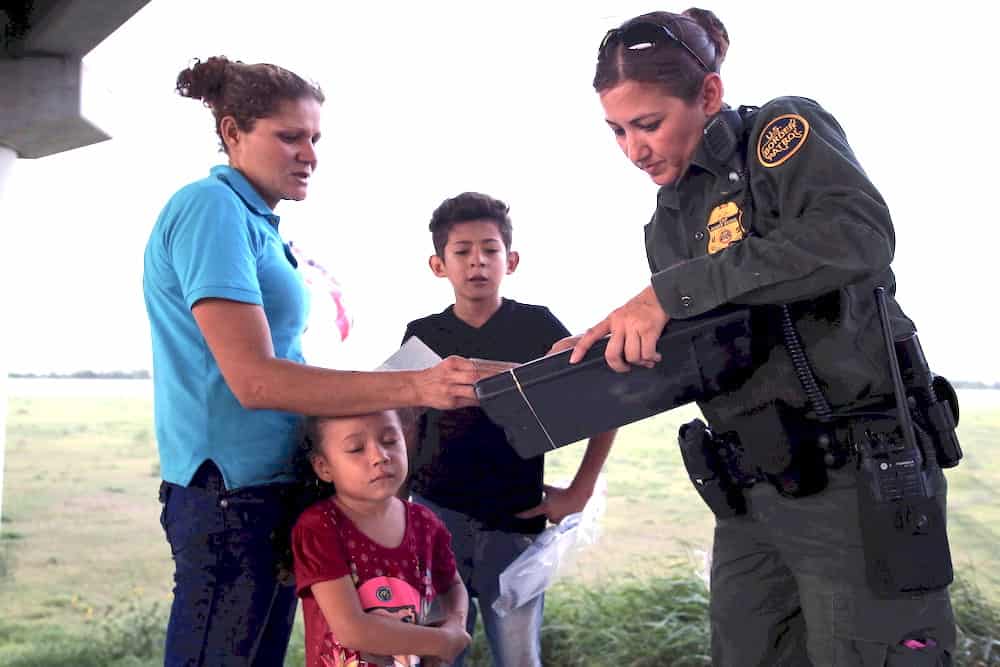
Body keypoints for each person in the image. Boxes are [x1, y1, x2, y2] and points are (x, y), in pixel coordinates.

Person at [563, 9, 957, 666]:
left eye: (648, 124)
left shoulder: (779, 135)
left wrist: (670, 293)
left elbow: (857, 237)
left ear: (708, 96)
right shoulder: (665, 222)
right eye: (617, 130)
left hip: (853, 483)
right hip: (751, 497)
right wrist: (589, 360)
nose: (633, 149)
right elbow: (708, 352)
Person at [143, 56, 478, 666]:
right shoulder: (210, 210)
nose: (310, 154)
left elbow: (283, 360)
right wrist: (414, 386)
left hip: (271, 486)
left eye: (315, 139)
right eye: (290, 136)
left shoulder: (259, 224)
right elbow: (255, 378)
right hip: (230, 495)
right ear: (232, 133)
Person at [401, 192, 616, 667]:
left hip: (516, 520)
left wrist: (579, 490)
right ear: (439, 264)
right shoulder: (423, 335)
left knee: (519, 656)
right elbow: (407, 421)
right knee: (437, 651)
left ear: (510, 259)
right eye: (462, 251)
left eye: (490, 249)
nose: (477, 261)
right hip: (437, 517)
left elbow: (604, 400)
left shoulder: (538, 326)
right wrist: (396, 507)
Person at [291, 410, 471, 667]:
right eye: (356, 449)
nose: (379, 456)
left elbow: (452, 585)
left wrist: (455, 622)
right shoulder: (320, 528)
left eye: (389, 441)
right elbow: (353, 630)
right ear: (324, 467)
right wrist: (441, 642)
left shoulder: (426, 523)